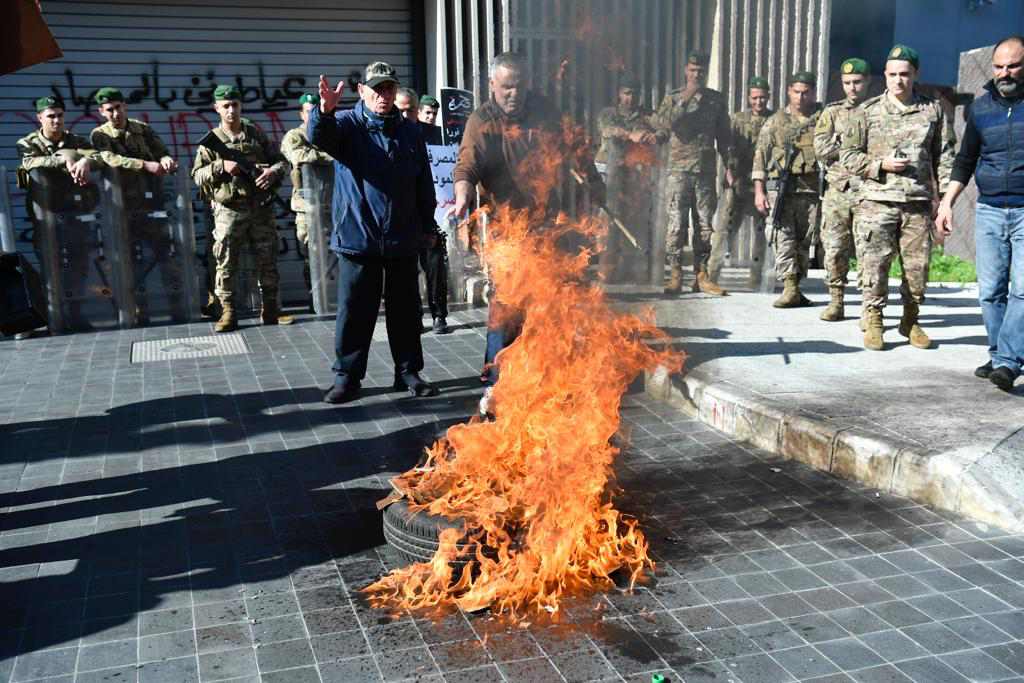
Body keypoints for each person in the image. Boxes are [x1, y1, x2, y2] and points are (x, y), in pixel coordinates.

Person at [310, 62, 440, 404]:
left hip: (401, 237)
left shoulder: (410, 132)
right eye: (377, 89)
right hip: (358, 237)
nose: (384, 96)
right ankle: (347, 377)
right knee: (355, 311)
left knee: (407, 311)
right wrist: (324, 112)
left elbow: (423, 183)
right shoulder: (346, 125)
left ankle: (408, 372)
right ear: (362, 91)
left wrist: (428, 225)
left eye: (389, 89)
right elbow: (318, 138)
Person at [451, 52, 563, 397]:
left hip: (545, 222)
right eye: (506, 88)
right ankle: (495, 375)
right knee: (507, 301)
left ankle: (540, 371)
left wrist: (592, 183)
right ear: (492, 86)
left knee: (545, 300)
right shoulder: (481, 120)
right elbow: (466, 165)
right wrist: (462, 195)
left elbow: (571, 148)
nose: (513, 95)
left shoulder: (544, 111)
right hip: (506, 227)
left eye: (519, 87)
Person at [840, 45, 956, 351]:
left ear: (915, 74)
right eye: (892, 74)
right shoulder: (867, 112)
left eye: (904, 74)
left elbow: (944, 157)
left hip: (917, 205)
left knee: (917, 269)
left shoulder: (933, 111)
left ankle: (911, 320)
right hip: (876, 203)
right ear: (885, 76)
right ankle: (875, 320)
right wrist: (879, 165)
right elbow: (848, 156)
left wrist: (945, 201)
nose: (898, 81)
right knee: (873, 265)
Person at [936, 36, 1024, 390]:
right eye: (999, 66)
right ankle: (1002, 352)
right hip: (989, 210)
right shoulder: (981, 109)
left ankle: (1006, 361)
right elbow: (965, 160)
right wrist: (946, 202)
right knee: (990, 291)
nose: (1006, 73)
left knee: (1022, 290)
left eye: (1014, 66)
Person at [191, 84, 291, 333]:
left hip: (260, 208)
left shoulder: (255, 135)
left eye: (234, 104)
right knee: (225, 262)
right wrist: (219, 166)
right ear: (217, 108)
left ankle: (271, 309)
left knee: (267, 258)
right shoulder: (211, 143)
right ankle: (227, 312)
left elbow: (282, 162)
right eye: (225, 106)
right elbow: (196, 176)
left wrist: (271, 172)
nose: (231, 110)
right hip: (229, 210)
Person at [16, 95, 107, 336]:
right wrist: (64, 157)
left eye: (60, 115)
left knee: (79, 266)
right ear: (39, 118)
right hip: (45, 218)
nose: (56, 121)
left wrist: (85, 161)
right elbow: (30, 162)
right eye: (51, 116)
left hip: (76, 215)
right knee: (50, 268)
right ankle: (55, 319)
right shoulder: (28, 142)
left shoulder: (75, 139)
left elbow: (98, 157)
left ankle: (76, 316)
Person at [90, 86, 182, 324]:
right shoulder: (99, 135)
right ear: (102, 112)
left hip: (152, 205)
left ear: (125, 106)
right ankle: (139, 312)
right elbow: (110, 159)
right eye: (109, 110)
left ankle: (178, 306)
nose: (115, 114)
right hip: (122, 209)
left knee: (166, 257)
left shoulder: (142, 129)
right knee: (130, 263)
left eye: (118, 107)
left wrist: (165, 159)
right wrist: (145, 164)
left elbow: (162, 151)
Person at [651, 51, 730, 296]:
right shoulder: (673, 98)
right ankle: (675, 274)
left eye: (701, 71)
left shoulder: (716, 100)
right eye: (693, 70)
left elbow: (724, 136)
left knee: (705, 226)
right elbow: (665, 124)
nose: (697, 75)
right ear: (686, 70)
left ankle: (701, 275)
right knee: (676, 226)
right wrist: (685, 99)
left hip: (705, 171)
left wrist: (729, 167)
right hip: (678, 171)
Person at [752, 71, 822, 308]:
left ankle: (797, 285)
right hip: (781, 188)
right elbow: (760, 156)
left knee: (805, 239)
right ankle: (789, 286)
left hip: (811, 189)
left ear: (813, 92)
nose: (800, 97)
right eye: (796, 92)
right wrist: (759, 191)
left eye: (805, 92)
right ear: (788, 92)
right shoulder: (775, 121)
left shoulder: (822, 117)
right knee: (783, 236)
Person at [814, 59, 872, 322]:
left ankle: (869, 307)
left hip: (869, 190)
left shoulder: (877, 111)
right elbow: (821, 149)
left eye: (857, 82)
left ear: (867, 81)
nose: (852, 88)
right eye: (847, 83)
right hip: (838, 191)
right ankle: (836, 300)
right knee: (835, 247)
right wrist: (851, 145)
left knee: (868, 250)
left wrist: (840, 142)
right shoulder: (832, 113)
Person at [707, 76, 773, 289]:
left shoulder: (774, 120)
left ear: (768, 97)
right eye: (754, 98)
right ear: (748, 97)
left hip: (760, 186)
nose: (758, 102)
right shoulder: (736, 120)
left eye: (762, 98)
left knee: (761, 233)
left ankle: (756, 277)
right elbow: (726, 146)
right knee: (724, 230)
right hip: (736, 183)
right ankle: (711, 275)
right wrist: (728, 169)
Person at [595, 73, 656, 281]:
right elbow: (607, 129)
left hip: (635, 177)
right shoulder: (609, 113)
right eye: (626, 93)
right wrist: (630, 135)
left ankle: (632, 269)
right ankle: (606, 268)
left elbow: (662, 129)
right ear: (619, 94)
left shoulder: (647, 116)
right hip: (610, 176)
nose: (630, 98)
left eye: (634, 94)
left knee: (635, 221)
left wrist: (655, 136)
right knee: (609, 221)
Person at [280, 93, 334, 302]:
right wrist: (329, 157)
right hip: (308, 207)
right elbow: (297, 156)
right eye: (309, 112)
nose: (312, 116)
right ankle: (316, 299)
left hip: (333, 203)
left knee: (336, 255)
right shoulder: (295, 136)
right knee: (311, 254)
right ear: (301, 114)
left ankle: (334, 295)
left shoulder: (328, 134)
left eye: (316, 112)